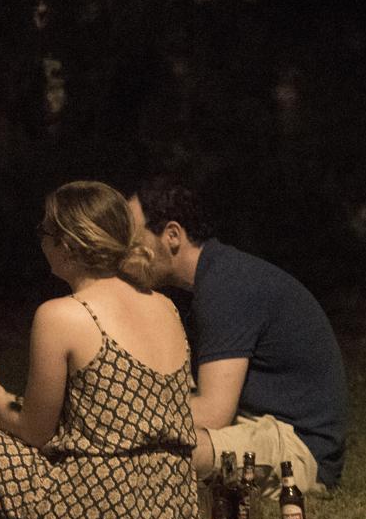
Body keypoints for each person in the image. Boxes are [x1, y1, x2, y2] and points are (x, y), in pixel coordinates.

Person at [0, 181, 199, 519]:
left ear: (68, 245)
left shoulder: (62, 314)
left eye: (45, 230)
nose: (41, 240)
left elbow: (34, 432)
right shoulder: (165, 306)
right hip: (173, 511)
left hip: (98, 513)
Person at [127, 178, 348, 493]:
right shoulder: (209, 279)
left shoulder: (226, 285)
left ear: (172, 235)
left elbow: (213, 413)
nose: (123, 251)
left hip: (298, 450)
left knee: (153, 453)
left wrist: (117, 414)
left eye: (132, 237)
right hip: (260, 428)